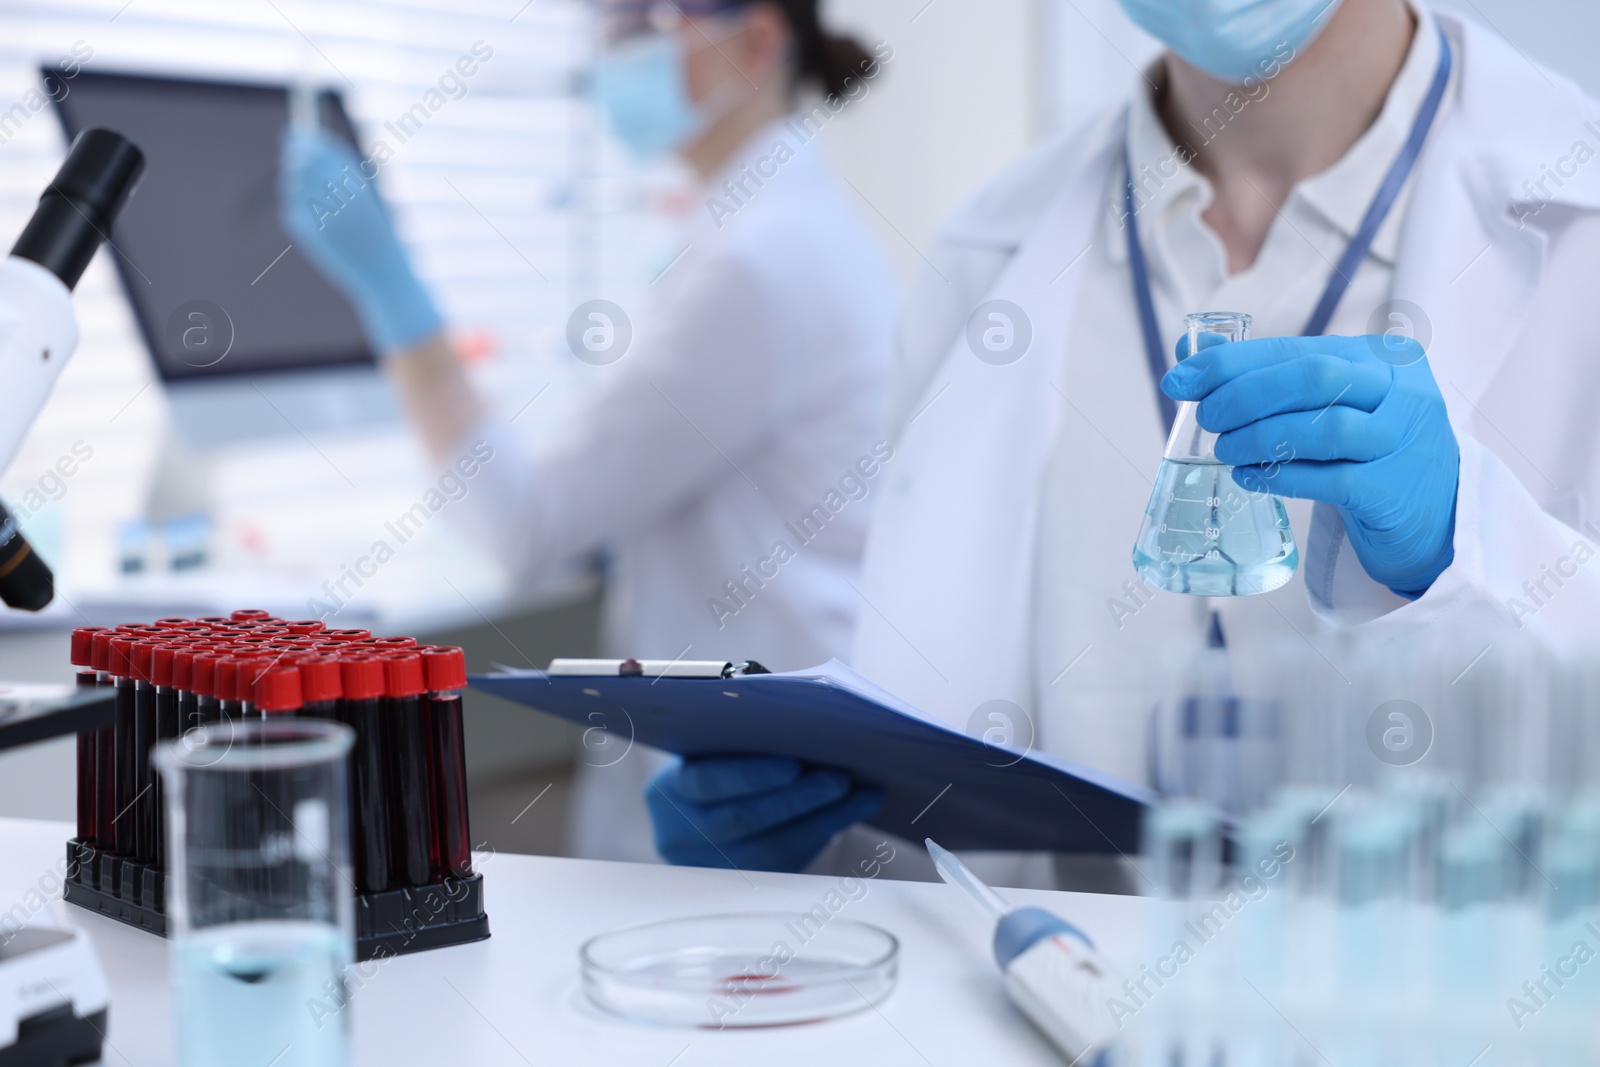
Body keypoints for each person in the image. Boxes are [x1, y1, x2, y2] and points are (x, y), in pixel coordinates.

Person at [644, 0, 1600, 884]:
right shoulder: (987, 253)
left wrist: (1467, 547)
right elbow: (954, 779)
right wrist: (808, 839)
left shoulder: (1577, 207)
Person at [279, 0, 897, 862]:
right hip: (779, 755)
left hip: (769, 799)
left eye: (645, 24)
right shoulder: (773, 231)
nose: (609, 52)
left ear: (758, 41)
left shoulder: (758, 263)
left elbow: (521, 525)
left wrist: (392, 292)